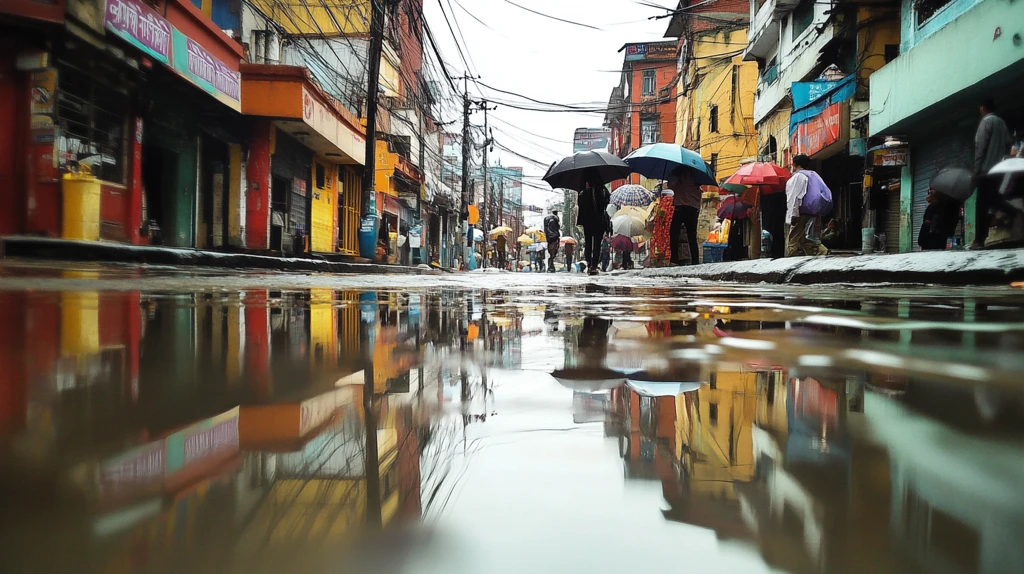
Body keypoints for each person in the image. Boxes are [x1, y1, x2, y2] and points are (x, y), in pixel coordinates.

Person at [973, 98, 1013, 249]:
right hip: (999, 169)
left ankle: (979, 240)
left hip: (985, 171)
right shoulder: (1001, 123)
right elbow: (1009, 144)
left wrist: (977, 168)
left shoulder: (986, 121)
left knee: (981, 205)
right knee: (994, 199)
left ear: (983, 107)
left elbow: (980, 146)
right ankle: (1012, 212)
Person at [786, 154, 831, 257]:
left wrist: (793, 215)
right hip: (813, 211)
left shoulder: (798, 177)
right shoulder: (813, 175)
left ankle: (790, 262)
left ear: (794, 164)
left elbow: (795, 196)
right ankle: (823, 251)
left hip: (801, 212)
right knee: (808, 238)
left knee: (793, 240)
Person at [577, 172, 611, 276]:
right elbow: (606, 204)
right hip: (599, 222)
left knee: (588, 243)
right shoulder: (603, 191)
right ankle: (594, 265)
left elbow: (580, 207)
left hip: (587, 222)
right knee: (597, 244)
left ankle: (589, 263)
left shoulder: (583, 193)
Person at [667, 167, 701, 265]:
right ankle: (695, 260)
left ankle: (674, 259)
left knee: (674, 233)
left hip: (680, 207)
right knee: (691, 235)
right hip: (693, 208)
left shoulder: (678, 172)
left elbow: (671, 186)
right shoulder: (696, 176)